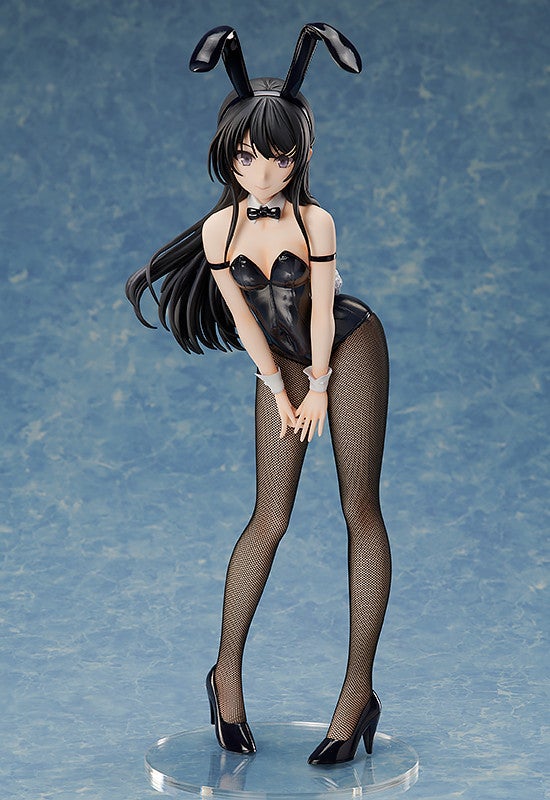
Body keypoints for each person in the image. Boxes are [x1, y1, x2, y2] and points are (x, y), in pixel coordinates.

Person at [126, 23, 391, 765]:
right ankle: (225, 676)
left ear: (299, 155)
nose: (264, 170)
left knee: (359, 509)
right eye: (248, 155)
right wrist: (278, 390)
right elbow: (246, 320)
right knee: (268, 517)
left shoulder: (314, 221)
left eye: (279, 155)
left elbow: (321, 309)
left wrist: (320, 386)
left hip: (347, 348)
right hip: (279, 365)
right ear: (229, 153)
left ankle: (357, 694)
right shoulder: (220, 230)